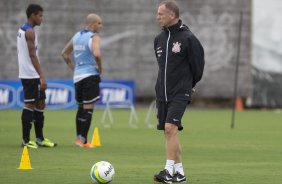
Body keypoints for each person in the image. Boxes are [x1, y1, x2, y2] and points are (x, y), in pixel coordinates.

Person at [153, 1, 205, 183]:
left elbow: (198, 66)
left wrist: (189, 84)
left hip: (181, 92)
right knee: (169, 132)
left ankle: (167, 171)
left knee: (170, 128)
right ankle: (180, 174)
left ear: (172, 16)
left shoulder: (188, 38)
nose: (157, 17)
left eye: (160, 14)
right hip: (162, 93)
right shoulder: (158, 39)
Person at [17, 4, 57, 148]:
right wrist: (42, 76)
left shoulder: (27, 29)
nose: (42, 18)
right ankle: (26, 141)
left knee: (40, 104)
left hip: (32, 73)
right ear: (33, 15)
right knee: (29, 105)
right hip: (30, 75)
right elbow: (32, 55)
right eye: (40, 15)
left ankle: (40, 138)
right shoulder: (29, 32)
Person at [61, 14, 103, 148]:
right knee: (88, 108)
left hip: (78, 77)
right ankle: (83, 141)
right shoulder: (94, 37)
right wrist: (100, 68)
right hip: (90, 75)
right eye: (100, 23)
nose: (101, 26)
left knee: (80, 108)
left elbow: (64, 53)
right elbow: (96, 54)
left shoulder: (77, 36)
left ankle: (78, 138)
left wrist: (74, 68)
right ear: (93, 23)